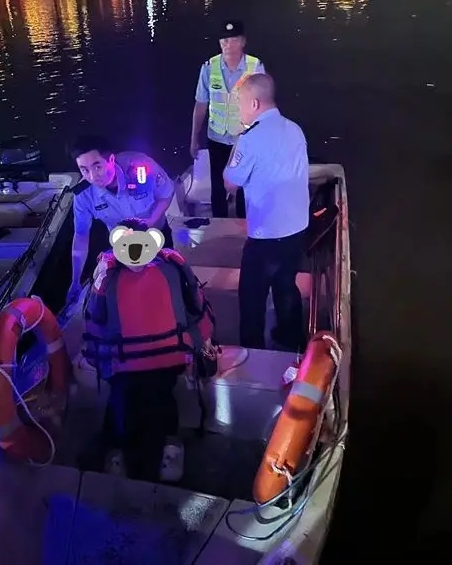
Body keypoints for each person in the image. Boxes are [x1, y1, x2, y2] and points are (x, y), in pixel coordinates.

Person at [81, 218, 217, 482]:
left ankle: (158, 446)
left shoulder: (168, 269)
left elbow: (193, 308)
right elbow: (96, 317)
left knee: (150, 395)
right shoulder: (109, 273)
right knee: (128, 396)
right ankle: (133, 446)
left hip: (162, 357)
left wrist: (204, 342)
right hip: (130, 361)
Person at [222, 73, 310, 353]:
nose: (239, 110)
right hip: (297, 229)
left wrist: (237, 142)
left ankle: (253, 351)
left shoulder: (250, 139)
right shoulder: (295, 129)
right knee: (286, 285)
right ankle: (291, 341)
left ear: (255, 103)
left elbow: (230, 182)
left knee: (252, 296)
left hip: (266, 236)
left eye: (240, 103)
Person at [68, 135, 175, 302]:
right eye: (84, 170)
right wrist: (75, 281)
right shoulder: (83, 194)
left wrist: (151, 221)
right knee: (128, 293)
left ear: (111, 159)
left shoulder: (141, 168)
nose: (93, 177)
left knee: (167, 285)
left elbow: (166, 195)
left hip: (156, 234)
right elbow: (81, 235)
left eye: (97, 167)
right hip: (121, 244)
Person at [190, 20, 265, 218]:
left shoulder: (255, 67)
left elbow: (263, 108)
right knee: (217, 186)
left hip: (244, 139)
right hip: (216, 137)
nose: (228, 44)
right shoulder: (209, 67)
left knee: (243, 186)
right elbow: (200, 104)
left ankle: (242, 225)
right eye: (224, 40)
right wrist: (194, 138)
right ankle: (219, 224)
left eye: (233, 39)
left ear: (243, 42)